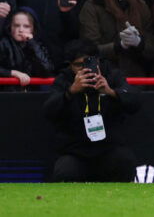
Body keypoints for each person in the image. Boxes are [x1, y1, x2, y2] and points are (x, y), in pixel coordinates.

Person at [42, 40, 141, 182]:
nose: (85, 69)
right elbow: (48, 110)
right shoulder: (64, 79)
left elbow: (136, 101)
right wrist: (70, 92)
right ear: (70, 65)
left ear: (98, 62)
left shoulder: (111, 75)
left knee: (124, 162)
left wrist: (111, 92)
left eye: (89, 63)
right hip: (75, 151)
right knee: (64, 170)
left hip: (108, 148)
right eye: (78, 65)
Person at [79, 0, 154, 77]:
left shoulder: (141, 6)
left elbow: (151, 49)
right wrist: (119, 46)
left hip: (136, 78)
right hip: (104, 77)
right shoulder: (92, 6)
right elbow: (90, 49)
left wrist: (139, 43)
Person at [0, 8, 54, 87]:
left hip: (32, 93)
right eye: (16, 25)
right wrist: (13, 73)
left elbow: (46, 70)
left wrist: (32, 43)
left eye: (26, 26)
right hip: (8, 93)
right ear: (10, 27)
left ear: (33, 29)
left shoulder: (38, 45)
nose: (21, 30)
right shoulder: (3, 44)